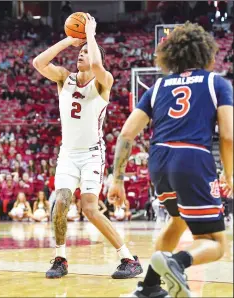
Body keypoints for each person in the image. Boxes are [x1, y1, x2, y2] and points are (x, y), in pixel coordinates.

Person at [108, 22, 233, 298]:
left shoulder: (159, 85)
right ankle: (177, 264)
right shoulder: (216, 82)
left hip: (159, 160)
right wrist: (229, 172)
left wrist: (116, 179)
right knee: (215, 243)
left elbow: (127, 133)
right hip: (192, 158)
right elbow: (228, 136)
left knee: (177, 220)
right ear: (207, 54)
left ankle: (149, 287)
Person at [33, 13, 142, 279]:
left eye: (85, 52)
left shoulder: (104, 81)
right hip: (68, 154)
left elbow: (95, 64)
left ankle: (128, 259)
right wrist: (69, 40)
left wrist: (90, 35)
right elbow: (38, 62)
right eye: (79, 52)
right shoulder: (64, 78)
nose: (81, 55)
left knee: (91, 209)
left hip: (93, 154)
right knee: (60, 204)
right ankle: (60, 258)